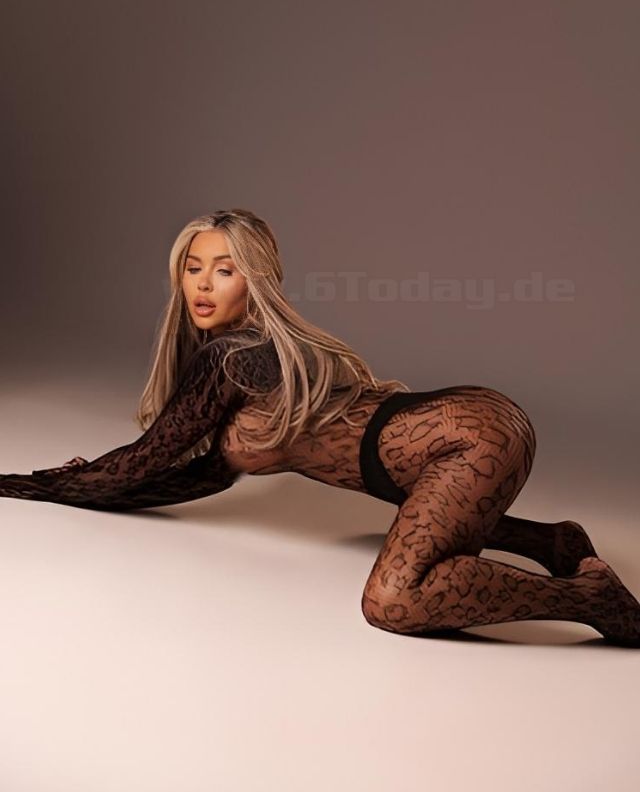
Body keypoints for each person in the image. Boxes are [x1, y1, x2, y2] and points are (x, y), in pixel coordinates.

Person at [2, 208, 639, 646]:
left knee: (395, 600)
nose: (203, 284)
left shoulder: (232, 358)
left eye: (225, 269)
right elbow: (200, 475)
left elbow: (147, 456)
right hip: (465, 430)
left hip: (466, 437)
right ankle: (553, 543)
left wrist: (35, 485)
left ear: (256, 279)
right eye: (194, 267)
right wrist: (92, 492)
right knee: (425, 538)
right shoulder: (255, 358)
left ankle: (591, 599)